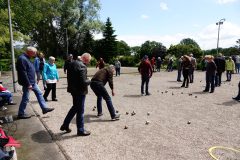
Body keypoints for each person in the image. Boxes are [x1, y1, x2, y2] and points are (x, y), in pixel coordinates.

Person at [16, 46, 54, 119]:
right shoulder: (22, 59)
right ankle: (21, 113)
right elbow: (23, 72)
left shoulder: (26, 58)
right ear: (30, 52)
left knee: (39, 93)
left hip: (32, 82)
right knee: (26, 98)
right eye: (34, 52)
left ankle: (44, 108)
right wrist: (28, 84)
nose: (35, 54)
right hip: (28, 83)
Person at [60, 53, 92, 136]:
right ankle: (80, 130)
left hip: (73, 90)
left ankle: (65, 124)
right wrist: (89, 80)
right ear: (85, 59)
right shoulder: (82, 66)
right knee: (80, 111)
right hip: (80, 92)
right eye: (89, 60)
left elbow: (70, 78)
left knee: (75, 108)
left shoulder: (72, 63)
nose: (89, 62)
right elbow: (83, 82)